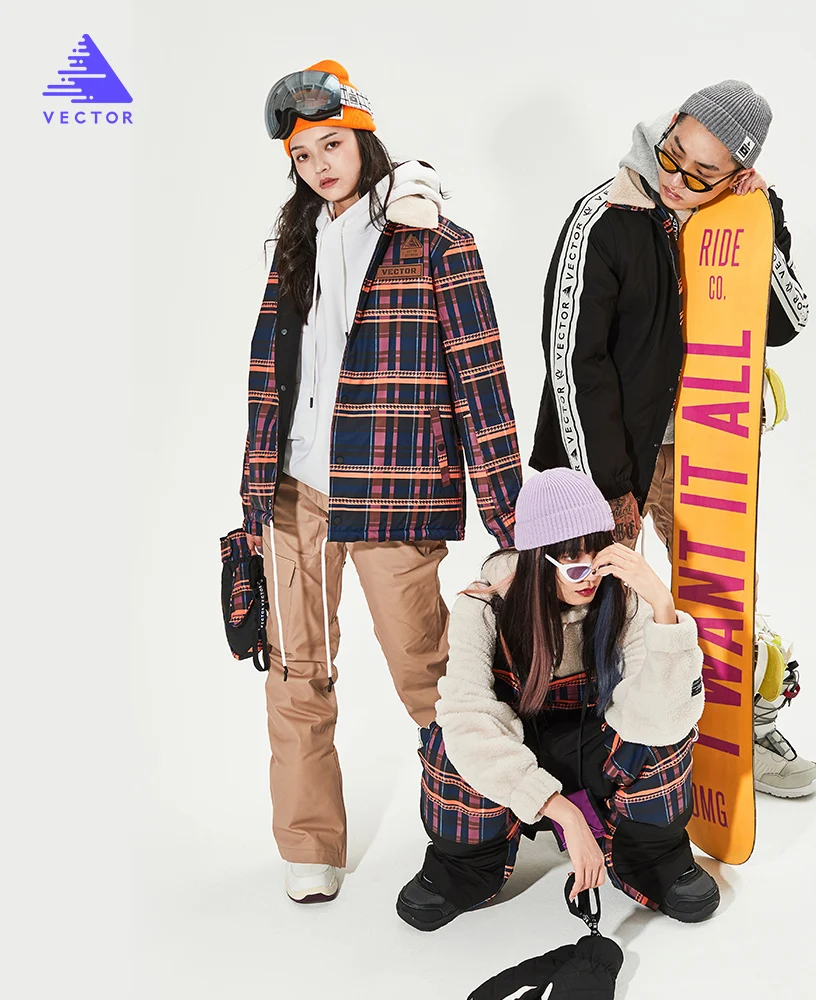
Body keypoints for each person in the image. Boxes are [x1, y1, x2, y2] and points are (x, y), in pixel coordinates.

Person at [223, 59, 522, 904]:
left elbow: (482, 385)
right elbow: (269, 384)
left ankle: (479, 829)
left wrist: (512, 529)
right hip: (293, 494)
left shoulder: (436, 242)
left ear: (363, 137)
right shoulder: (294, 249)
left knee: (430, 675)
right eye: (302, 154)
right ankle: (309, 847)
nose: (319, 164)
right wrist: (252, 501)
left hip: (394, 492)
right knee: (297, 675)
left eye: (332, 144)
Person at [529, 80, 816, 798]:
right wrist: (603, 487)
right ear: (668, 128)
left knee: (721, 597)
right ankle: (580, 762)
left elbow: (787, 321)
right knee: (591, 613)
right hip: (608, 453)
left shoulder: (739, 218)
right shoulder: (606, 215)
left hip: (705, 447)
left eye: (703, 173)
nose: (678, 179)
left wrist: (763, 215)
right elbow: (570, 359)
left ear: (737, 171)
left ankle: (735, 734)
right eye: (673, 153)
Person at [395, 468, 720, 930]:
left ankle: (653, 860)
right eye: (572, 561)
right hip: (518, 750)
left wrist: (663, 608)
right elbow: (469, 720)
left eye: (597, 554)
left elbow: (665, 716)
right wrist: (561, 810)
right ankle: (463, 868)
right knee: (453, 742)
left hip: (591, 747)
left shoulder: (624, 602)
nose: (590, 576)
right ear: (538, 560)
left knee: (665, 736)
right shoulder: (484, 608)